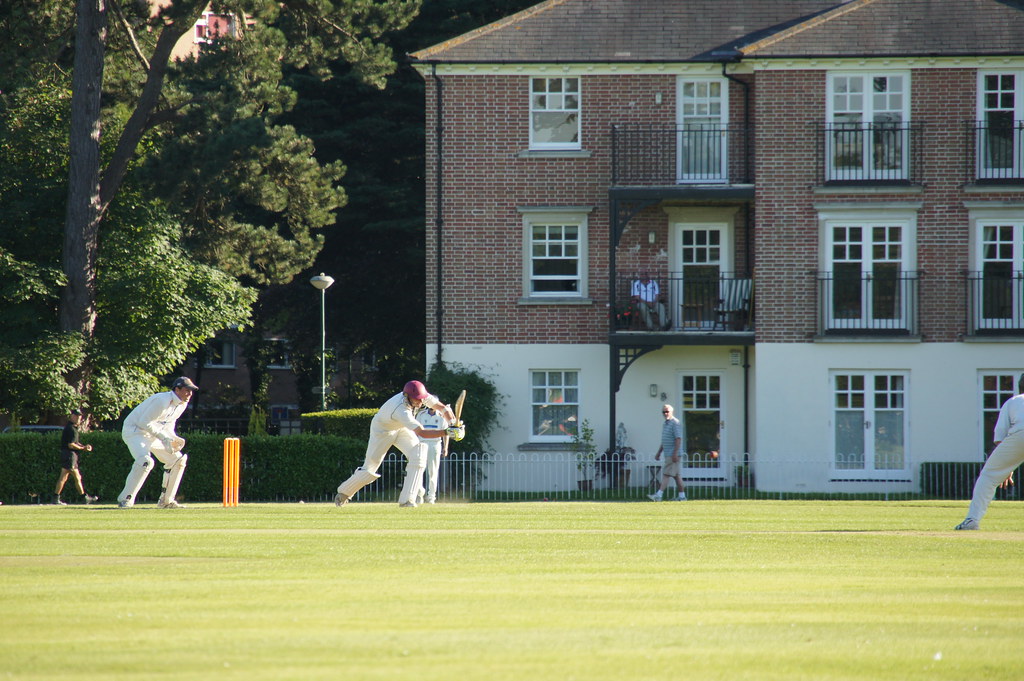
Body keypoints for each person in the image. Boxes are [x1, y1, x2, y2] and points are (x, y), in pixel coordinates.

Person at [335, 380, 463, 508]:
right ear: (407, 397)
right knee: (369, 469)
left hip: (401, 428)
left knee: (418, 453)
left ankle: (408, 500)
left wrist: (452, 423)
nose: (420, 402)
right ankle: (344, 493)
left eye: (421, 398)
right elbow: (422, 432)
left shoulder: (421, 396)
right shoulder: (401, 409)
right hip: (382, 431)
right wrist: (447, 432)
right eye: (416, 399)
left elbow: (442, 408)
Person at [116, 377, 199, 509]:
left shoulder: (182, 404)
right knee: (145, 461)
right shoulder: (162, 400)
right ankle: (125, 499)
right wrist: (163, 437)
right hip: (135, 431)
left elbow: (168, 424)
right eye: (187, 390)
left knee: (178, 460)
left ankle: (166, 501)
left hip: (153, 434)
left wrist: (173, 438)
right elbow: (144, 422)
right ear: (177, 389)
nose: (190, 394)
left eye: (191, 391)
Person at [955, 376, 1024, 530]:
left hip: (1020, 433)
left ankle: (972, 520)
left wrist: (1006, 468)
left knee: (988, 476)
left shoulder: (1014, 401)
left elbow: (1000, 437)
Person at [53, 409, 98, 505]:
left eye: (79, 416)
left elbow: (75, 443)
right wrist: (83, 449)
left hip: (69, 455)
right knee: (74, 477)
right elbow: (71, 445)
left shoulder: (72, 428)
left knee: (66, 478)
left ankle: (56, 498)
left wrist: (83, 446)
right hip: (69, 455)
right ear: (71, 416)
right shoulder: (71, 429)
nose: (78, 418)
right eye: (76, 416)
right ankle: (84, 498)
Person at [648, 404, 687, 501]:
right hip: (668, 453)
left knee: (666, 474)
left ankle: (658, 495)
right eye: (663, 412)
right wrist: (659, 453)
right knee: (677, 476)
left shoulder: (675, 423)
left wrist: (675, 453)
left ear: (671, 412)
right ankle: (682, 497)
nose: (665, 413)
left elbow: (678, 439)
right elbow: (664, 440)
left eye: (667, 411)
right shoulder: (665, 424)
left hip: (673, 454)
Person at [415, 406, 450, 505]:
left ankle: (431, 497)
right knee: (419, 470)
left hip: (435, 444)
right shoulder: (421, 414)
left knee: (433, 471)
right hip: (422, 443)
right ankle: (419, 495)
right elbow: (415, 430)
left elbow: (445, 433)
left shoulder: (441, 416)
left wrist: (445, 447)